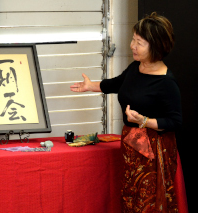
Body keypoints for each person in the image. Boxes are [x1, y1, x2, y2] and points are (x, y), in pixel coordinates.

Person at [70, 12, 181, 212]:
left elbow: (175, 121)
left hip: (153, 151)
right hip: (131, 144)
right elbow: (116, 84)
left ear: (155, 46)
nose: (132, 46)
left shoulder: (166, 82)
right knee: (130, 197)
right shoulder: (135, 68)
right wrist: (90, 86)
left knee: (148, 203)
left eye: (139, 42)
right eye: (133, 39)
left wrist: (144, 121)